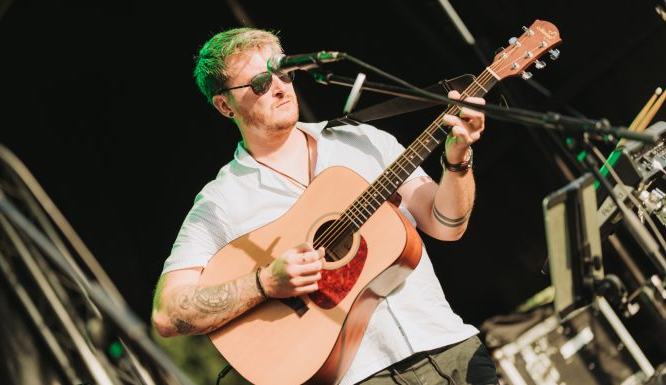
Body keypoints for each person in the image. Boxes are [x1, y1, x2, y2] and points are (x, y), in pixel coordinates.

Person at [152, 27, 499, 385]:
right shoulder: (221, 202)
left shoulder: (361, 140)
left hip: (449, 343)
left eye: (282, 73)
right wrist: (265, 282)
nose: (279, 87)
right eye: (258, 83)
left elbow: (447, 224)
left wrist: (458, 159)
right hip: (361, 377)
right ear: (225, 105)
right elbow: (168, 313)